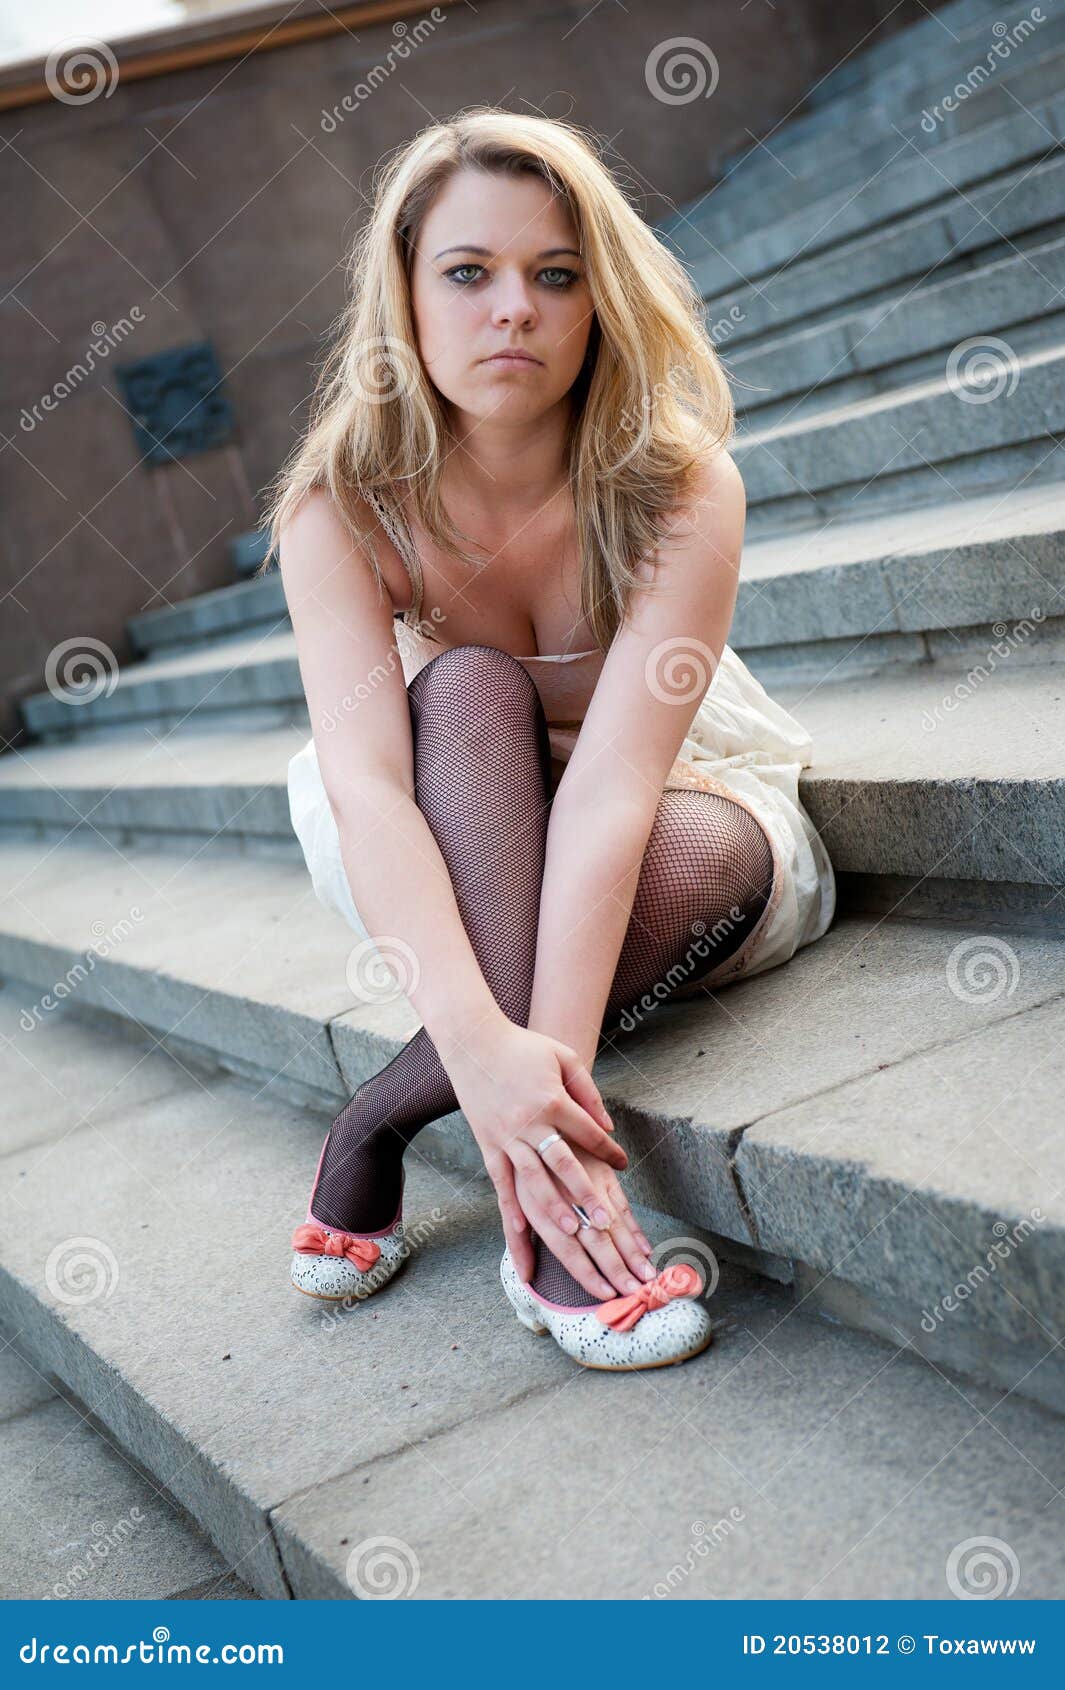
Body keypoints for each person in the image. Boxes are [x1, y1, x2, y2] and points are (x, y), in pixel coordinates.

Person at [261, 107, 836, 1371]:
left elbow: (620, 789)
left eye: (554, 275)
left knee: (712, 856)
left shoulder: (680, 483)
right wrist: (481, 1050)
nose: (512, 307)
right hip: (449, 817)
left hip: (660, 796)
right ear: (403, 296)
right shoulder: (339, 507)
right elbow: (370, 791)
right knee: (465, 688)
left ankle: (380, 1114)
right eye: (467, 272)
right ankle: (563, 1249)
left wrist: (542, 1087)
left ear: (596, 302)